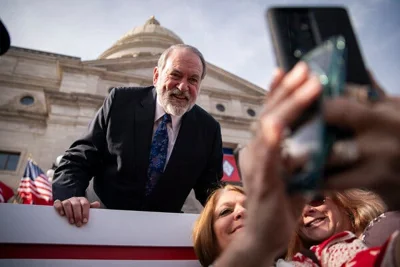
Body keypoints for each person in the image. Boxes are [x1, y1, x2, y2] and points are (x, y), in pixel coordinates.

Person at [195, 62, 400, 266]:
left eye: (314, 197)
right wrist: (256, 245)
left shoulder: (373, 233)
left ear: (342, 198)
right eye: (225, 212)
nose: (305, 210)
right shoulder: (311, 259)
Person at [52, 44, 223, 227]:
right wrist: (72, 196)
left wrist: (233, 207)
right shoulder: (120, 102)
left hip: (160, 233)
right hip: (98, 222)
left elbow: (210, 188)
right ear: (156, 76)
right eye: (175, 75)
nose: (183, 86)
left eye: (193, 80)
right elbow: (79, 159)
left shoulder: (208, 129)